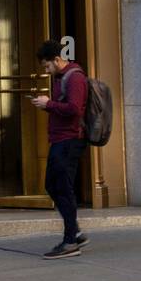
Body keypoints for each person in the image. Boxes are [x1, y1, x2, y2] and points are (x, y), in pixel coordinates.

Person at [31, 39, 89, 259]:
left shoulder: (75, 77)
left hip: (70, 140)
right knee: (52, 186)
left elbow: (74, 109)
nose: (46, 70)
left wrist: (49, 104)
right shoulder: (61, 78)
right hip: (59, 140)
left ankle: (70, 241)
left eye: (47, 66)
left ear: (57, 59)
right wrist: (48, 106)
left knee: (63, 188)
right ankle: (75, 231)